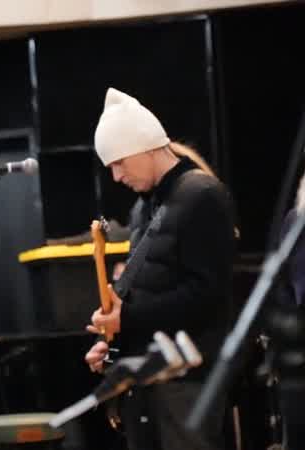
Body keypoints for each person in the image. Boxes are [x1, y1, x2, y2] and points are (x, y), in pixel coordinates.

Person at [84, 88, 235, 450]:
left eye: (119, 162)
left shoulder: (202, 195)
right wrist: (113, 346)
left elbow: (206, 294)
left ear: (145, 147)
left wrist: (126, 319)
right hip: (147, 379)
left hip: (188, 381)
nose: (116, 176)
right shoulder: (144, 207)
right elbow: (145, 293)